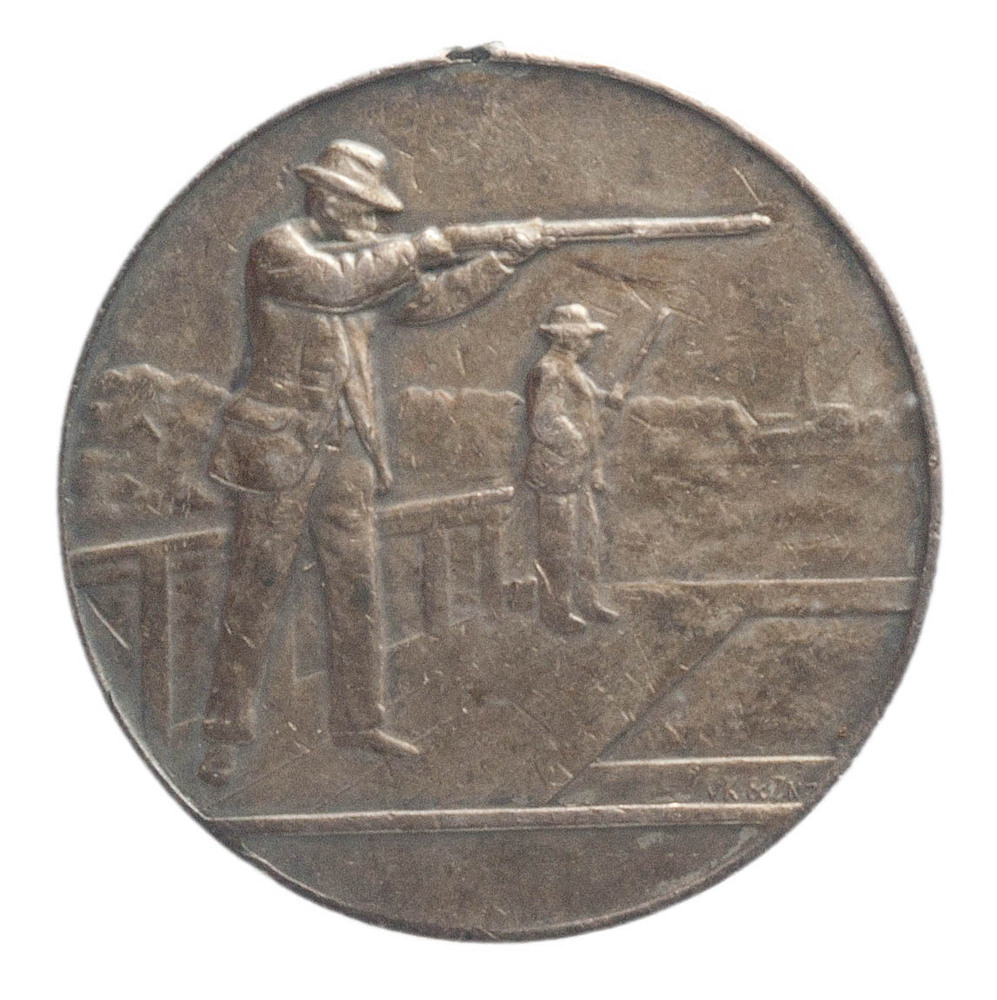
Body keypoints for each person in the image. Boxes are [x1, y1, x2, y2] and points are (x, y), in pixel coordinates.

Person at [199, 139, 539, 785]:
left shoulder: (364, 258)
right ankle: (224, 734)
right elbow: (338, 286)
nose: (372, 220)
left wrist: (501, 259)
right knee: (254, 589)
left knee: (356, 587)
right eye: (361, 207)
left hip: (348, 445)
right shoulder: (279, 249)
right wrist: (433, 242)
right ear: (325, 197)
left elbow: (428, 302)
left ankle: (360, 722)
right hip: (277, 446)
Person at [525, 303, 624, 634]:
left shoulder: (570, 369)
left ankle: (587, 600)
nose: (589, 343)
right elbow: (545, 420)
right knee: (559, 544)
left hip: (577, 472)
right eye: (585, 336)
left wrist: (609, 397)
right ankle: (556, 611)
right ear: (567, 337)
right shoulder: (548, 370)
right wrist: (578, 442)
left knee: (586, 539)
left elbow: (587, 396)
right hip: (556, 472)